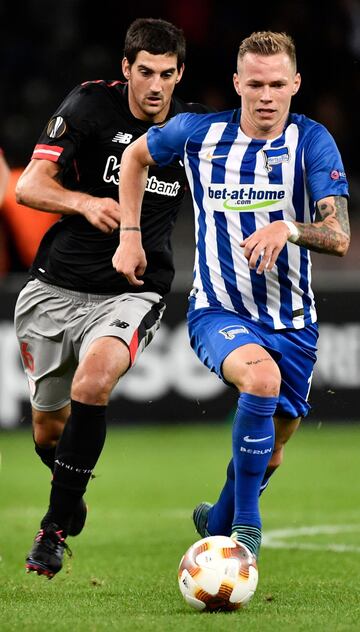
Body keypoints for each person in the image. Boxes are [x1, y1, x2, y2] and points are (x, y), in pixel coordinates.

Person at [112, 31, 350, 565]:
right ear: (237, 83)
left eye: (277, 85)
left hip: (292, 321)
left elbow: (338, 237)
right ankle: (244, 529)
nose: (266, 97)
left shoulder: (312, 141)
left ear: (295, 85)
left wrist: (286, 228)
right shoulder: (197, 133)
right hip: (216, 308)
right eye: (255, 85)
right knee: (260, 381)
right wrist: (130, 234)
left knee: (276, 445)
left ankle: (216, 520)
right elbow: (134, 159)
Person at [15, 17, 210, 578]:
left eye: (166, 75)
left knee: (92, 383)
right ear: (125, 70)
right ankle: (68, 492)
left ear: (179, 75)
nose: (155, 87)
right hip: (54, 286)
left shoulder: (191, 128)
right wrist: (82, 203)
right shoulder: (87, 106)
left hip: (133, 292)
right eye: (144, 72)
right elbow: (29, 184)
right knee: (48, 431)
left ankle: (50, 534)